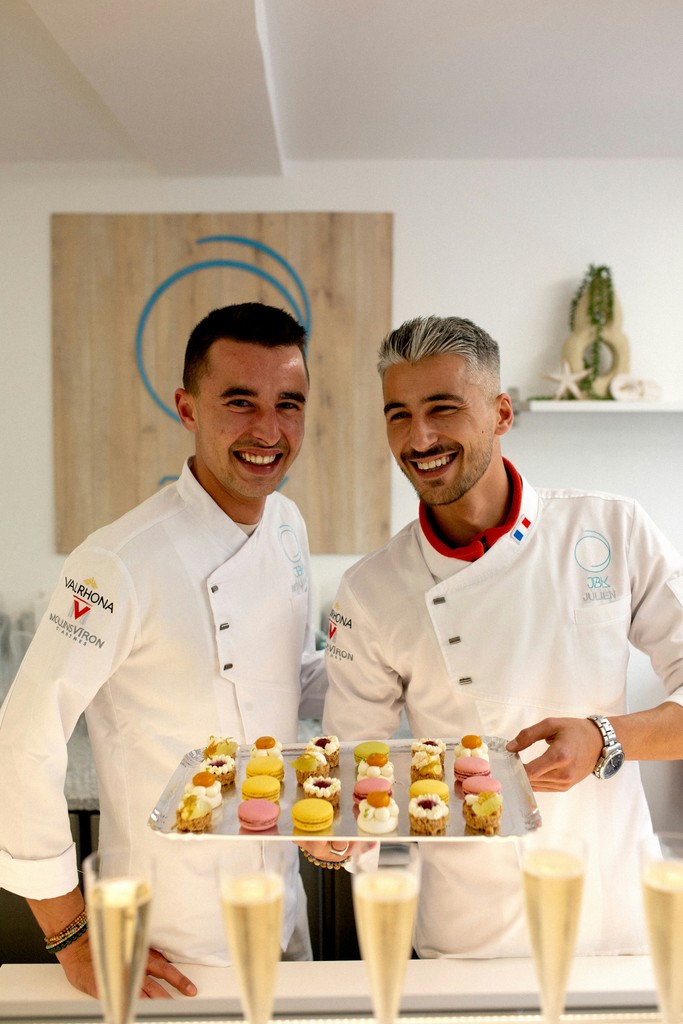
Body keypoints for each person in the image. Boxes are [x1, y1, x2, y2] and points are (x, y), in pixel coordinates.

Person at [0, 302, 343, 997]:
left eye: (288, 404)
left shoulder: (286, 525)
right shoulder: (115, 562)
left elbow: (282, 674)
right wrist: (69, 933)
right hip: (166, 942)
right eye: (239, 403)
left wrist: (400, 684)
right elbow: (22, 739)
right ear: (187, 408)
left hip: (281, 913)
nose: (268, 431)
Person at [322, 314, 683, 958]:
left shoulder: (612, 530)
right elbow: (356, 765)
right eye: (398, 414)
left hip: (616, 922)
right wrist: (334, 835)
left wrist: (607, 737)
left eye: (443, 408)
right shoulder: (370, 590)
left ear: (501, 414)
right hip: (469, 937)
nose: (419, 436)